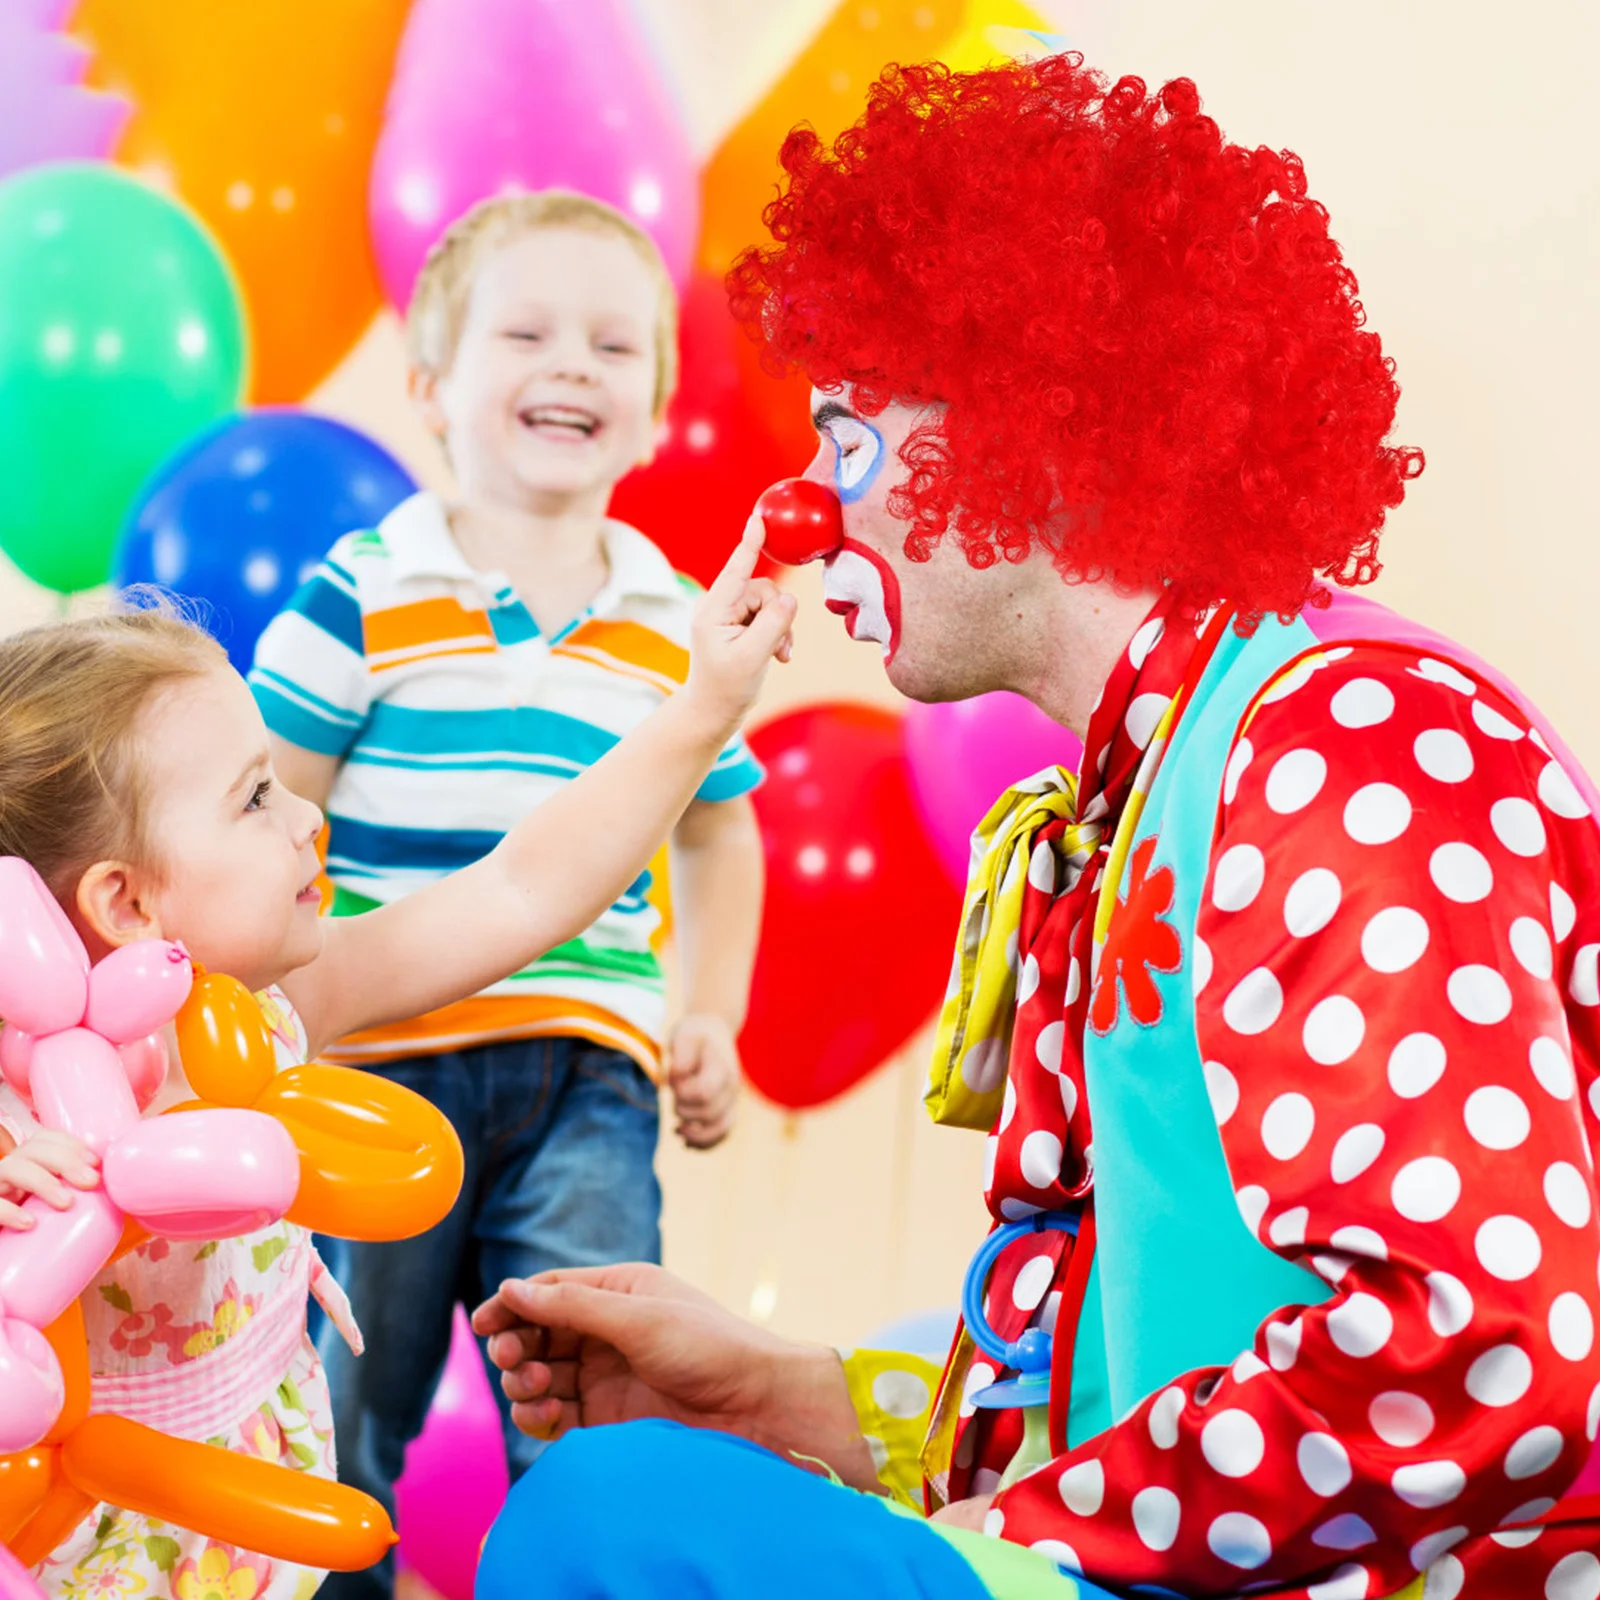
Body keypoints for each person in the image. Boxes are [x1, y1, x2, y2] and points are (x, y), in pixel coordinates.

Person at [470, 54, 1600, 1600]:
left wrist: (992, 1554)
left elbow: (1484, 1343)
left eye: (850, 438)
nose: (804, 510)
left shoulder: (1344, 737)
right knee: (630, 1490)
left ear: (1036, 429)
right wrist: (797, 1400)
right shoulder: (1150, 782)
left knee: (606, 1525)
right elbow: (1150, 1366)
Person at [0, 521, 791, 1599]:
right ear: (126, 902)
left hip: (256, 1547)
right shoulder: (24, 1106)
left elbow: (521, 887)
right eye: (255, 797)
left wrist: (701, 709)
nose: (309, 817)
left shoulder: (269, 1015)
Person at [248, 192, 770, 1594]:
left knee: (600, 1395)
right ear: (430, 387)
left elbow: (723, 837)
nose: (574, 365)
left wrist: (705, 1014)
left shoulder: (680, 628)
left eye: (615, 347)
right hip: (381, 1065)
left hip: (589, 1071)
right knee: (338, 1413)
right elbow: (263, 809)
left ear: (656, 412)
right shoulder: (361, 592)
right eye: (527, 331)